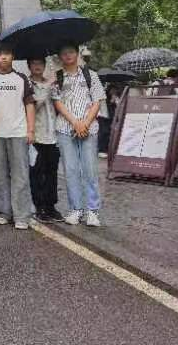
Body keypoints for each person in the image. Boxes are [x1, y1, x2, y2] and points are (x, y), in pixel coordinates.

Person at [0, 43, 36, 230]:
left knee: (20, 175)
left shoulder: (21, 78)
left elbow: (29, 104)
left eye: (7, 54)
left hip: (18, 132)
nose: (3, 57)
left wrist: (30, 130)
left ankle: (21, 215)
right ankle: (3, 211)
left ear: (12, 56)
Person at [52, 44, 105, 227]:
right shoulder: (57, 78)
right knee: (71, 170)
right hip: (66, 129)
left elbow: (97, 101)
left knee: (90, 170)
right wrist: (75, 122)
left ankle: (92, 211)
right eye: (64, 52)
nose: (68, 55)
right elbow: (57, 103)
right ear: (60, 56)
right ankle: (76, 209)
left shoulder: (91, 75)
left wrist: (85, 123)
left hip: (89, 129)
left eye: (71, 52)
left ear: (77, 54)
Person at [28, 57, 64, 223]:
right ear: (29, 66)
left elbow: (58, 103)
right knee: (37, 173)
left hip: (52, 135)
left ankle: (51, 205)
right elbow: (33, 107)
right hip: (36, 135)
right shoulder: (28, 84)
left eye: (40, 63)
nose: (37, 66)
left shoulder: (51, 83)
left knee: (52, 172)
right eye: (34, 63)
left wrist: (55, 87)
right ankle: (39, 206)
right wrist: (47, 88)